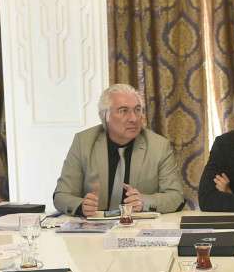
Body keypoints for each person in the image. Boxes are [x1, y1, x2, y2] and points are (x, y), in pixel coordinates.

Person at [53, 83, 186, 216]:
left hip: (139, 225)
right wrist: (81, 206)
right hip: (95, 225)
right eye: (123, 111)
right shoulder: (83, 142)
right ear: (105, 115)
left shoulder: (159, 146)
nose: (133, 118)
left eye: (137, 110)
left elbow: (176, 197)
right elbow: (61, 195)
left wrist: (144, 202)